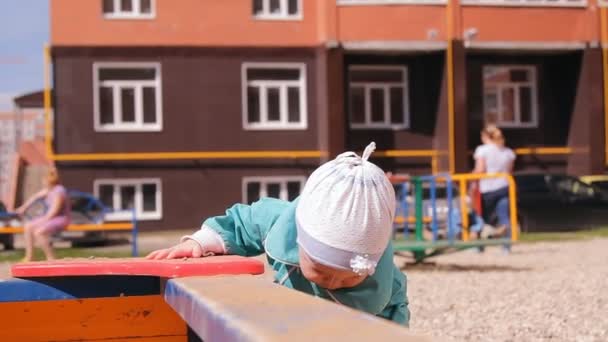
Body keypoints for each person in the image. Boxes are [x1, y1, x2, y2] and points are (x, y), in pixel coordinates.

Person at [148, 143, 410, 325]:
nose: (330, 282)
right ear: (299, 240)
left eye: (349, 279)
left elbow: (392, 329)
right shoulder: (282, 225)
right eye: (320, 269)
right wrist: (202, 242)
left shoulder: (387, 289)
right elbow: (246, 221)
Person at [473, 125, 516, 247]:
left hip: (487, 188)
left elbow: (480, 169)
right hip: (504, 186)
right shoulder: (508, 152)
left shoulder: (482, 150)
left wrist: (470, 177)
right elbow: (509, 171)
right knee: (504, 217)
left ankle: (479, 246)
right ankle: (506, 247)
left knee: (482, 217)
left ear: (485, 136)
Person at [16, 168, 71, 261]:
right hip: (51, 217)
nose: (43, 183)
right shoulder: (50, 190)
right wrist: (23, 207)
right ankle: (30, 256)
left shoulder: (59, 192)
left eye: (44, 181)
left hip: (61, 218)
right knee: (28, 226)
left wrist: (42, 220)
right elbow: (35, 197)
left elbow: (54, 212)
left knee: (39, 232)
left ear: (49, 182)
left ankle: (51, 257)